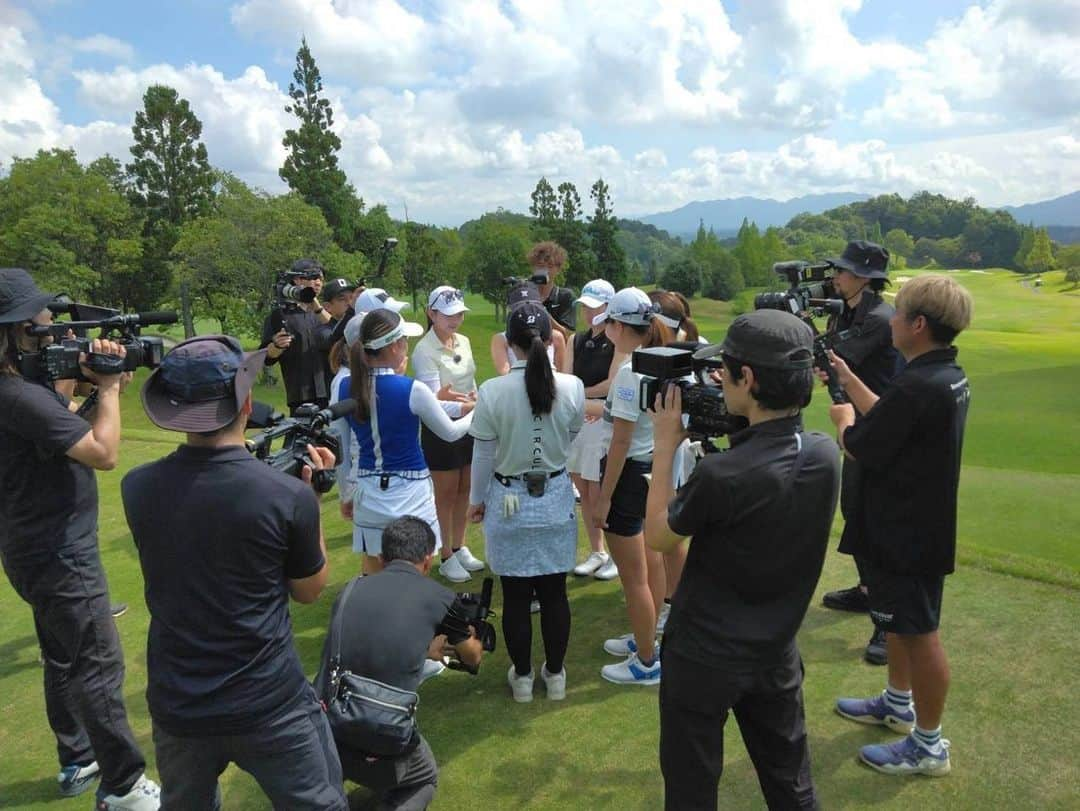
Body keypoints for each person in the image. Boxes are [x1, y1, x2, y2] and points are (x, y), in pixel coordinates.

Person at [121, 335, 347, 810]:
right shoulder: (286, 497)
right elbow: (309, 589)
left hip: (178, 703)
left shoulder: (136, 487)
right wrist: (314, 501)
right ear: (246, 402)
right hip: (268, 701)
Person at [644, 309, 841, 810]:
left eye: (725, 372)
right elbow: (767, 462)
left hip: (703, 655)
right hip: (775, 651)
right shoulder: (822, 454)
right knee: (791, 785)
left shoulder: (721, 475)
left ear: (748, 379)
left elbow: (659, 538)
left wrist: (665, 447)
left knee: (691, 788)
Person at [0, 269, 160, 810]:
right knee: (97, 664)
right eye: (42, 327)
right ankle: (124, 786)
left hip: (29, 546)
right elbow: (104, 452)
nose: (51, 333)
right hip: (61, 549)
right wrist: (111, 389)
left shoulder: (19, 393)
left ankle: (78, 758)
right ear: (17, 332)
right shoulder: (18, 395)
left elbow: (71, 430)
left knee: (64, 659)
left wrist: (95, 391)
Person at [829, 274, 973, 777]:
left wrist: (843, 420)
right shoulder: (943, 374)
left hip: (907, 531)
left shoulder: (917, 386)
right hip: (913, 524)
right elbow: (892, 417)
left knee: (920, 632)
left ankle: (929, 745)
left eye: (897, 313)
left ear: (917, 325)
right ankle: (896, 703)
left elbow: (862, 443)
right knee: (896, 623)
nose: (889, 320)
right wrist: (849, 379)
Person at [317, 516, 484, 810]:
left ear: (381, 559)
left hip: (325, 723)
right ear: (428, 560)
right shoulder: (440, 596)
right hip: (381, 731)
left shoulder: (350, 589)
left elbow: (371, 647)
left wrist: (423, 652)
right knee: (425, 778)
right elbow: (472, 656)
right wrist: (472, 637)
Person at [467, 300, 584, 702]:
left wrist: (476, 500)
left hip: (508, 498)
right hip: (553, 495)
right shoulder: (572, 386)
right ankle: (554, 676)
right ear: (551, 341)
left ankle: (521, 677)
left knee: (516, 595)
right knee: (554, 593)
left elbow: (483, 453)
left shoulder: (493, 391)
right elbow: (569, 435)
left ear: (509, 342)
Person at [817, 240, 901, 666]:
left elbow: (835, 360)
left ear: (865, 279)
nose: (836, 277)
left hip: (883, 428)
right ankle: (870, 592)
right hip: (857, 424)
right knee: (854, 508)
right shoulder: (847, 311)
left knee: (878, 521)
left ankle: (889, 620)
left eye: (844, 272)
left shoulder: (880, 319)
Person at [342, 309, 474, 578]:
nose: (406, 347)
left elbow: (342, 449)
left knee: (374, 576)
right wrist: (477, 413)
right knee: (411, 580)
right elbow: (450, 432)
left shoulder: (347, 386)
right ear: (393, 346)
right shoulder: (411, 388)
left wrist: (346, 492)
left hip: (368, 491)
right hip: (410, 493)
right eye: (403, 340)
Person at [592, 287, 673, 686]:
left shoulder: (629, 372)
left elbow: (620, 441)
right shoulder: (665, 361)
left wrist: (602, 500)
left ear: (619, 326)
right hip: (656, 471)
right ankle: (647, 638)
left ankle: (646, 660)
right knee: (652, 563)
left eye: (609, 321)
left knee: (635, 577)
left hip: (628, 476)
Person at [412, 286, 486, 583]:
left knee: (465, 487)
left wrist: (474, 402)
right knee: (445, 492)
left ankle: (459, 544)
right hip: (440, 430)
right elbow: (430, 401)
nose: (456, 320)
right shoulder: (423, 350)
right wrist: (468, 407)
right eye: (449, 315)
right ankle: (445, 555)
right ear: (432, 314)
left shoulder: (464, 342)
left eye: (459, 314)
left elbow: (471, 381)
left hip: (469, 424)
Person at [565, 279, 622, 581]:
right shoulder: (576, 339)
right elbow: (565, 377)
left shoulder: (617, 341)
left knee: (600, 490)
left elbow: (612, 384)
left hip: (601, 420)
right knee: (584, 490)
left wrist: (581, 399)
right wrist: (581, 401)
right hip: (581, 419)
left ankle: (615, 553)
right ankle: (597, 551)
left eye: (594, 307)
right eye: (585, 307)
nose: (588, 313)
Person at [260, 258, 336, 414]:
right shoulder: (280, 314)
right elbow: (267, 358)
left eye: (320, 278)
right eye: (312, 278)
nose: (317, 282)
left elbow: (338, 332)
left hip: (331, 390)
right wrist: (277, 346)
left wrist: (315, 305)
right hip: (300, 395)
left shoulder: (325, 312)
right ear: (296, 280)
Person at [490, 282, 566, 374]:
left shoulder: (556, 337)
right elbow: (504, 372)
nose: (527, 311)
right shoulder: (501, 339)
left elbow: (562, 373)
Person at [528, 240, 577, 338]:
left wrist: (541, 312)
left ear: (558, 269)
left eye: (550, 266)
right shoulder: (525, 293)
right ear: (533, 268)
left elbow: (568, 335)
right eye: (541, 266)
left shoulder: (565, 296)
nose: (545, 270)